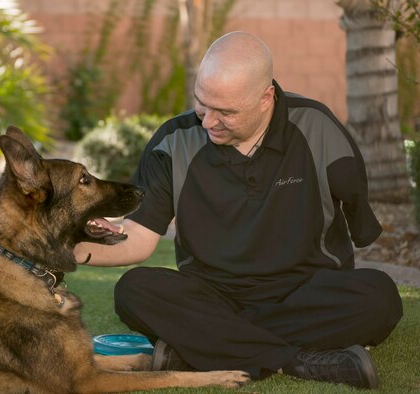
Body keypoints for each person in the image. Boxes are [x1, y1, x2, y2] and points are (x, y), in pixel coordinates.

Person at [74, 31, 403, 389]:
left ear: (266, 98)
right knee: (134, 291)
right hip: (213, 297)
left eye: (226, 111)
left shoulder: (319, 128)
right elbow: (137, 236)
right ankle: (298, 361)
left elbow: (360, 229)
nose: (208, 120)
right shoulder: (174, 140)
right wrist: (65, 247)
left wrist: (211, 332)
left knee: (379, 297)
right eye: (202, 102)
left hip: (305, 293)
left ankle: (202, 348)